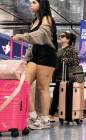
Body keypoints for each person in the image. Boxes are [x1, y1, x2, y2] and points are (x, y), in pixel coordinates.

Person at [12, 0, 57, 130]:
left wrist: (22, 36)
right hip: (35, 56)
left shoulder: (47, 18)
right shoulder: (34, 21)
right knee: (24, 85)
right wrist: (25, 58)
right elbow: (32, 43)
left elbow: (41, 35)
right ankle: (33, 117)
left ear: (42, 4)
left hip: (47, 55)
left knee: (43, 88)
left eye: (34, 2)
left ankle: (45, 119)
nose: (31, 5)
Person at [49, 31, 79, 122]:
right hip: (59, 76)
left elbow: (76, 62)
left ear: (68, 39)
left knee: (60, 96)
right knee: (56, 95)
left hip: (66, 77)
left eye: (62, 36)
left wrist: (65, 60)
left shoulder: (71, 49)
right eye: (60, 36)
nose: (60, 37)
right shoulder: (60, 49)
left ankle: (53, 115)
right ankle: (53, 115)